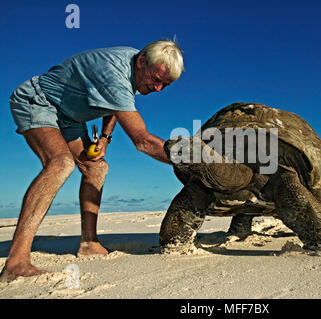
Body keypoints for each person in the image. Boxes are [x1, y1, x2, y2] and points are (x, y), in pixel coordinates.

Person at [0, 39, 184, 282]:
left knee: (96, 168)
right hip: (39, 100)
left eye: (165, 85)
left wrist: (105, 139)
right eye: (157, 80)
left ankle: (89, 243)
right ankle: (16, 262)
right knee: (61, 163)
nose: (158, 89)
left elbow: (116, 105)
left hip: (70, 119)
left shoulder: (138, 63)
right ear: (141, 61)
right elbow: (143, 141)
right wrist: (191, 162)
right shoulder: (114, 72)